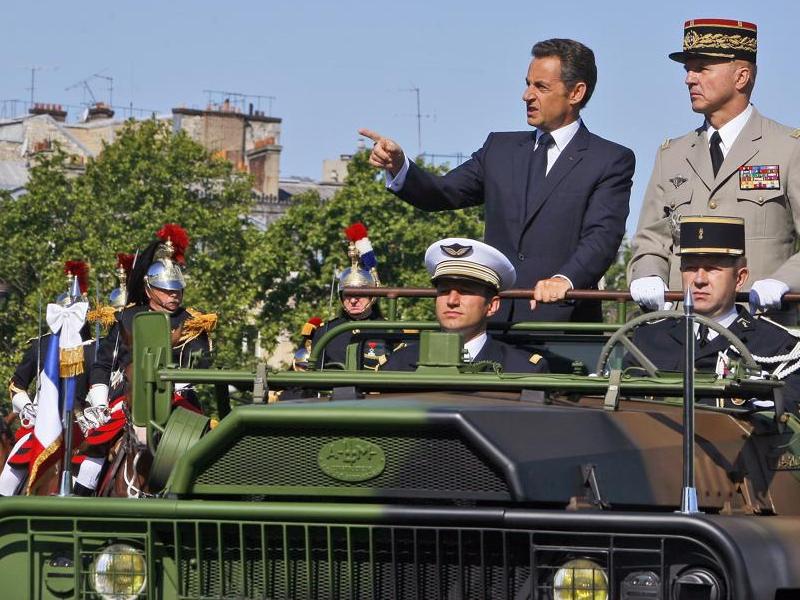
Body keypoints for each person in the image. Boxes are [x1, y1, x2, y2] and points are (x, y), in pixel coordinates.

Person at [360, 38, 635, 322]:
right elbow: (442, 192)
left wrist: (565, 279)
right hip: (495, 323)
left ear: (576, 93)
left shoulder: (609, 159)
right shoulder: (498, 150)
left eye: (540, 87)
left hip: (564, 326)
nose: (527, 95)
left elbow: (602, 238)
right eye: (528, 83)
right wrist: (399, 166)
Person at [629, 19, 800, 323]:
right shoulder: (672, 154)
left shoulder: (788, 148)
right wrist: (648, 274)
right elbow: (651, 240)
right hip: (681, 330)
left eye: (702, 68)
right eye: (688, 70)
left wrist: (785, 280)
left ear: (741, 77)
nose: (689, 79)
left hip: (759, 330)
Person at [73, 224, 216, 496]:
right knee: (95, 450)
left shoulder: (193, 322)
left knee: (205, 444)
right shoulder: (125, 317)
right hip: (128, 397)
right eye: (166, 290)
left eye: (177, 290)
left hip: (177, 398)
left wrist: (179, 381)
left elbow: (200, 364)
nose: (174, 295)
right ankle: (82, 504)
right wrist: (100, 401)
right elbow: (103, 364)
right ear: (150, 289)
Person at [625, 216, 800, 414]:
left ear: (740, 278)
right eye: (690, 268)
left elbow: (786, 417)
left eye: (712, 269)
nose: (699, 280)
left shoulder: (777, 347)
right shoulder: (648, 341)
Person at [0, 261, 95, 496]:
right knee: (7, 480)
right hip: (41, 423)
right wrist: (28, 407)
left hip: (81, 426)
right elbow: (17, 385)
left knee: (96, 472)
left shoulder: (94, 349)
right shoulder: (40, 346)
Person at [384, 238, 548, 372]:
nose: (452, 301)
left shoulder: (522, 370)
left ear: (492, 306)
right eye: (444, 291)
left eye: (466, 291)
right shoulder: (400, 364)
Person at [311, 222, 389, 370]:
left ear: (372, 295)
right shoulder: (325, 332)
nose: (353, 300)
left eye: (360, 294)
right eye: (347, 294)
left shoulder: (390, 330)